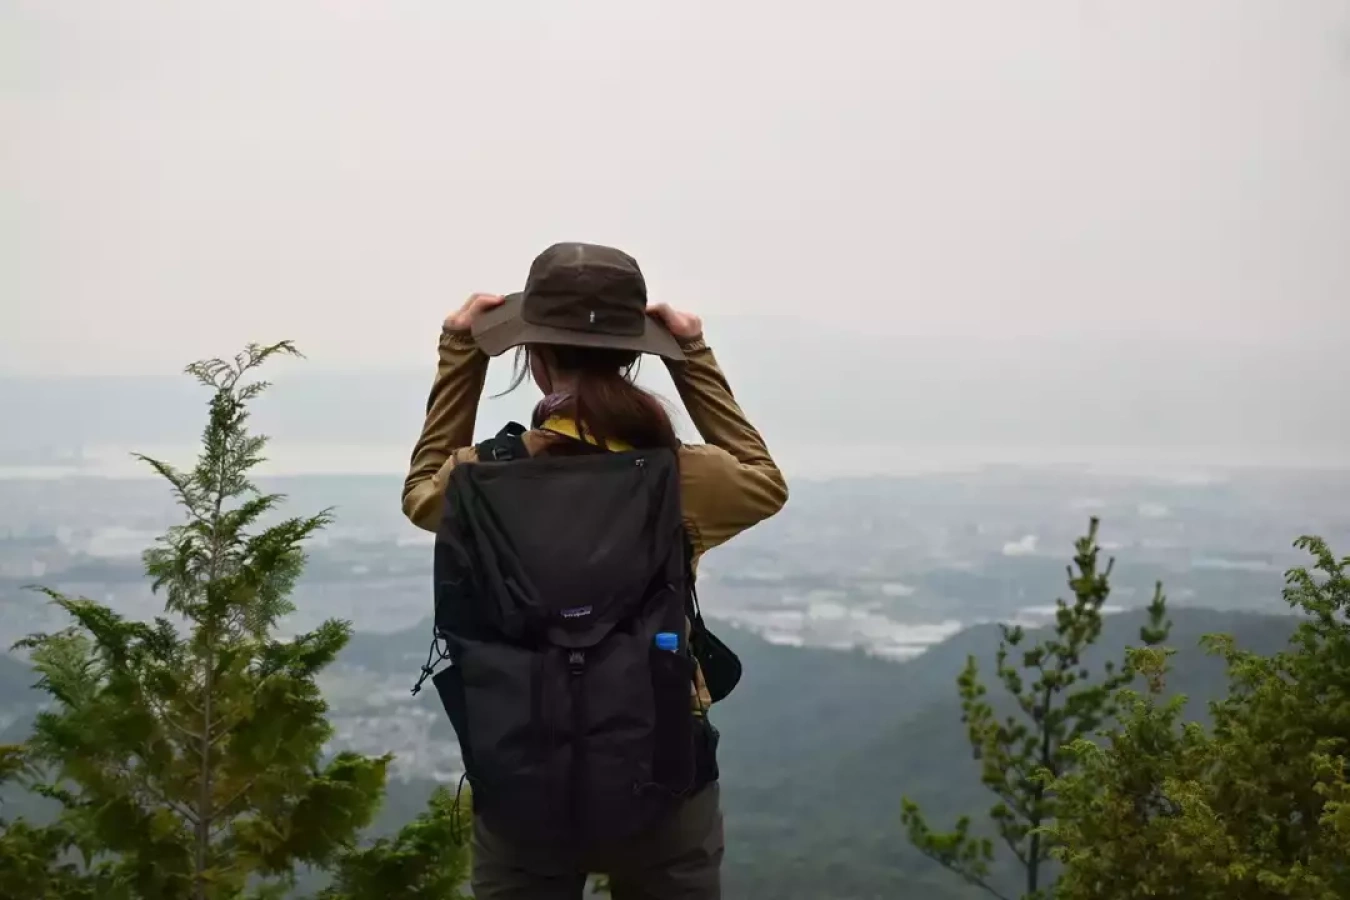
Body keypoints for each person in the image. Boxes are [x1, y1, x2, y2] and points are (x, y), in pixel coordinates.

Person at [401, 242, 788, 899]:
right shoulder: (680, 475)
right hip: (663, 766)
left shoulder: (479, 478)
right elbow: (763, 482)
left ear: (534, 355)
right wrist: (693, 357)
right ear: (634, 354)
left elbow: (420, 496)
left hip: (521, 766)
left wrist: (460, 354)